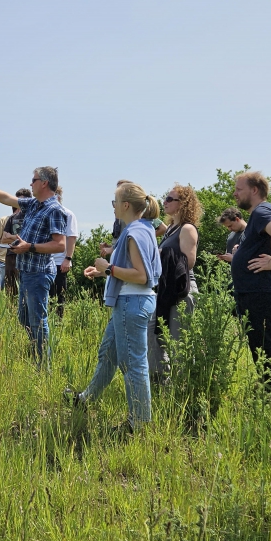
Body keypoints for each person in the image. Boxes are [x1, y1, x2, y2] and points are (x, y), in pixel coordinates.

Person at [68, 183, 161, 434]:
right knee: (108, 353)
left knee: (133, 364)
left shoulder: (134, 233)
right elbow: (132, 270)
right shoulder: (142, 229)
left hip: (131, 303)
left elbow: (141, 276)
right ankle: (86, 399)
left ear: (126, 205)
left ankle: (138, 424)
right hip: (130, 300)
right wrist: (103, 272)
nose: (114, 206)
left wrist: (108, 268)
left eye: (115, 202)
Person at [0, 167, 66, 363]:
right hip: (26, 271)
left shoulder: (54, 210)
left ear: (44, 183)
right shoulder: (34, 204)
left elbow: (60, 244)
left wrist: (29, 247)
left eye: (34, 180)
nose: (31, 183)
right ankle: (36, 350)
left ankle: (44, 364)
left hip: (39, 272)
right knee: (23, 318)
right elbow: (5, 198)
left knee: (38, 321)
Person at [231, 171, 271, 393]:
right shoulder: (258, 215)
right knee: (260, 348)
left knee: (267, 348)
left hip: (262, 292)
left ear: (254, 190)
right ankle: (270, 392)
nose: (235, 193)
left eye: (239, 189)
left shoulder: (263, 210)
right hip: (256, 292)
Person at [147, 184, 201, 384]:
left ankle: (184, 386)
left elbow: (189, 261)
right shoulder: (171, 229)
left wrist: (162, 254)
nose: (165, 202)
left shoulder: (187, 229)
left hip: (182, 289)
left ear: (183, 204)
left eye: (170, 199)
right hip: (166, 288)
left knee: (180, 342)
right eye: (166, 198)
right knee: (153, 331)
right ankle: (162, 381)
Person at [50, 186, 78, 318]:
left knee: (59, 296)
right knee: (47, 297)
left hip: (60, 262)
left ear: (58, 197)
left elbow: (72, 237)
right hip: (45, 262)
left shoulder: (68, 214)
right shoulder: (46, 213)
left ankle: (58, 324)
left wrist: (68, 258)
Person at [0, 188, 32, 300]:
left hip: (25, 256)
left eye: (22, 200)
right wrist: (19, 237)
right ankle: (11, 313)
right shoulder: (12, 218)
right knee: (10, 289)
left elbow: (30, 238)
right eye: (17, 199)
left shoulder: (32, 217)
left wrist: (12, 237)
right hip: (10, 256)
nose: (18, 202)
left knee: (24, 289)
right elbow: (4, 239)